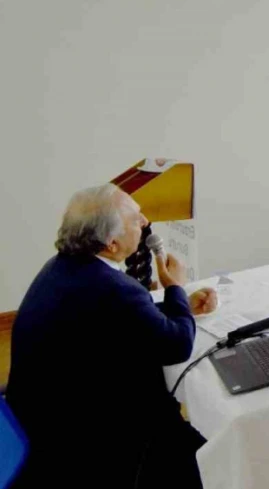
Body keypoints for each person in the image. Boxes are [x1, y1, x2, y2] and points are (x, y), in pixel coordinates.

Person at [7, 184, 213, 488]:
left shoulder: (62, 267)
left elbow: (116, 322)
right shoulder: (113, 288)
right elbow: (177, 345)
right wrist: (176, 288)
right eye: (135, 218)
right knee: (202, 452)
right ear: (111, 244)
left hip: (38, 420)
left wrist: (177, 307)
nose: (144, 223)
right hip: (86, 440)